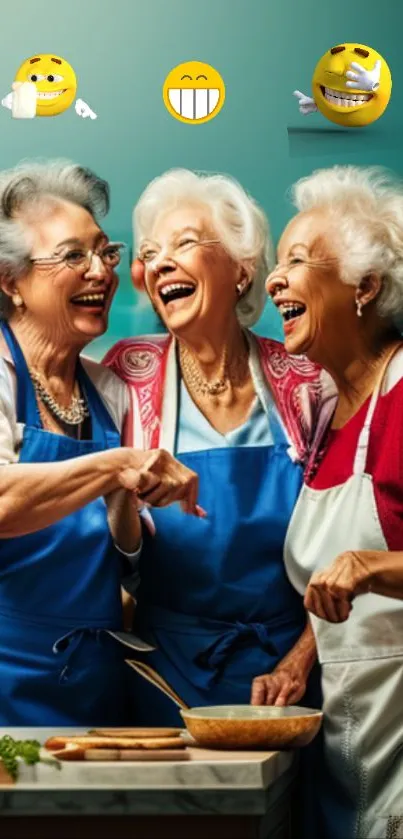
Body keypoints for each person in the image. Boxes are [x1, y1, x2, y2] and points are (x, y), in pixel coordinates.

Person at [103, 168, 334, 724]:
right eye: (151, 252)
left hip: (288, 674)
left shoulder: (307, 383)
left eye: (184, 243)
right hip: (167, 670)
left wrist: (302, 658)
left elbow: (346, 549)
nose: (159, 263)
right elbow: (113, 554)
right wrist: (123, 493)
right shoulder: (126, 377)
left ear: (241, 268)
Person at [0, 159, 200, 726]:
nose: (101, 272)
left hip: (95, 678)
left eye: (106, 253)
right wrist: (117, 464)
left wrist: (128, 502)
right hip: (7, 675)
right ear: (9, 281)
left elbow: (125, 561)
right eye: (73, 256)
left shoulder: (109, 386)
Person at [266, 164, 403, 839]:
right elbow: (340, 598)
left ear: (364, 287)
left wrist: (372, 566)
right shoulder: (328, 416)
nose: (271, 280)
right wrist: (301, 654)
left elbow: (364, 571)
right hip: (346, 752)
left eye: (295, 260)